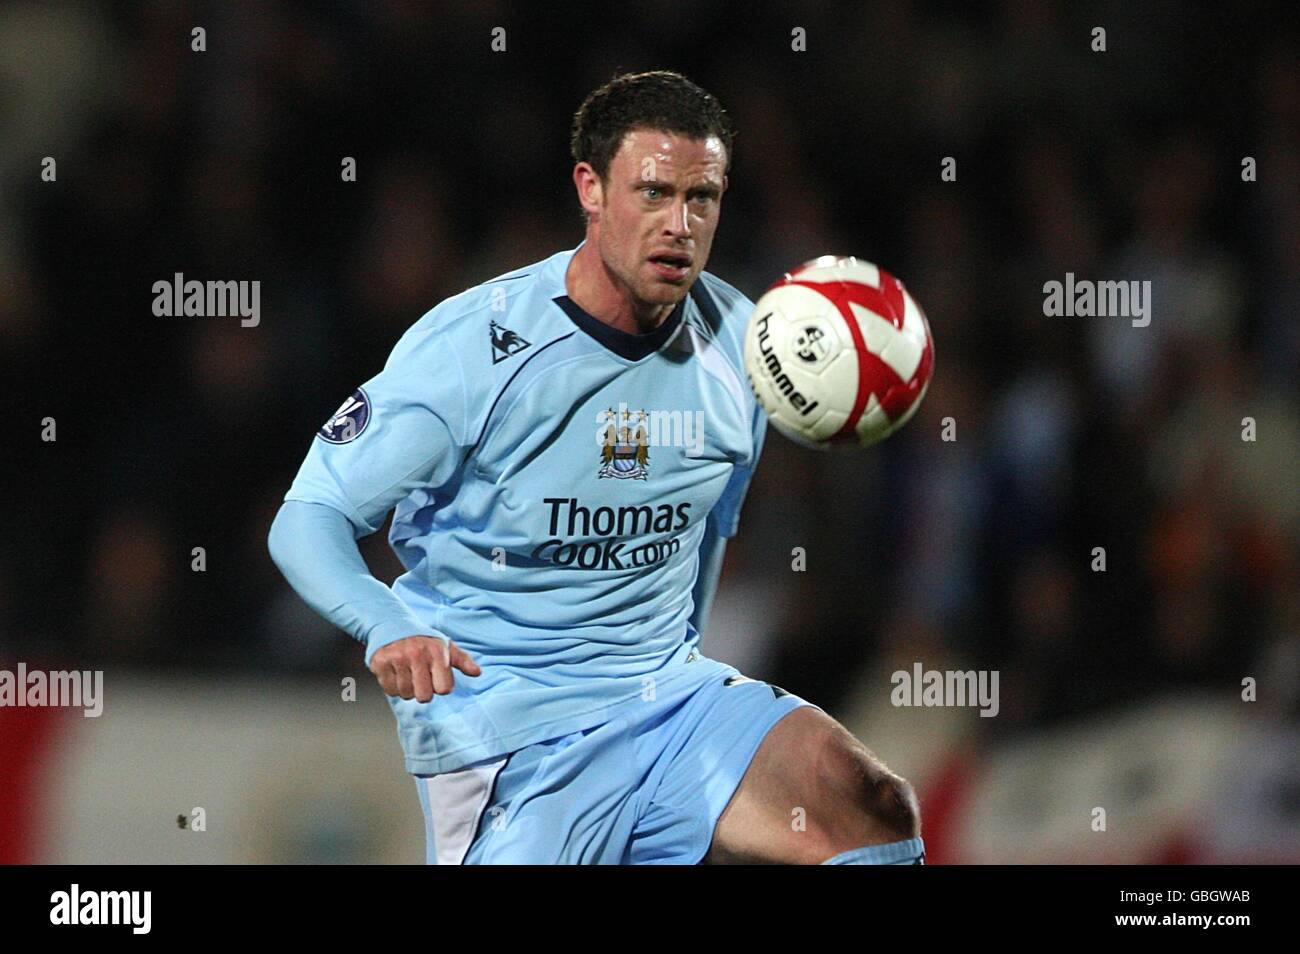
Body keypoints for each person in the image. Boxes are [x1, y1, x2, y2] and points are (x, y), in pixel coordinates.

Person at [268, 70, 923, 865]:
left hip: (670, 705)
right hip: (513, 736)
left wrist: (686, 655)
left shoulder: (750, 351)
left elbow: (707, 530)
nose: (679, 224)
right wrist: (387, 622)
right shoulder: (472, 352)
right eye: (652, 193)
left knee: (870, 806)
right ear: (590, 188)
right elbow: (308, 516)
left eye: (702, 198)